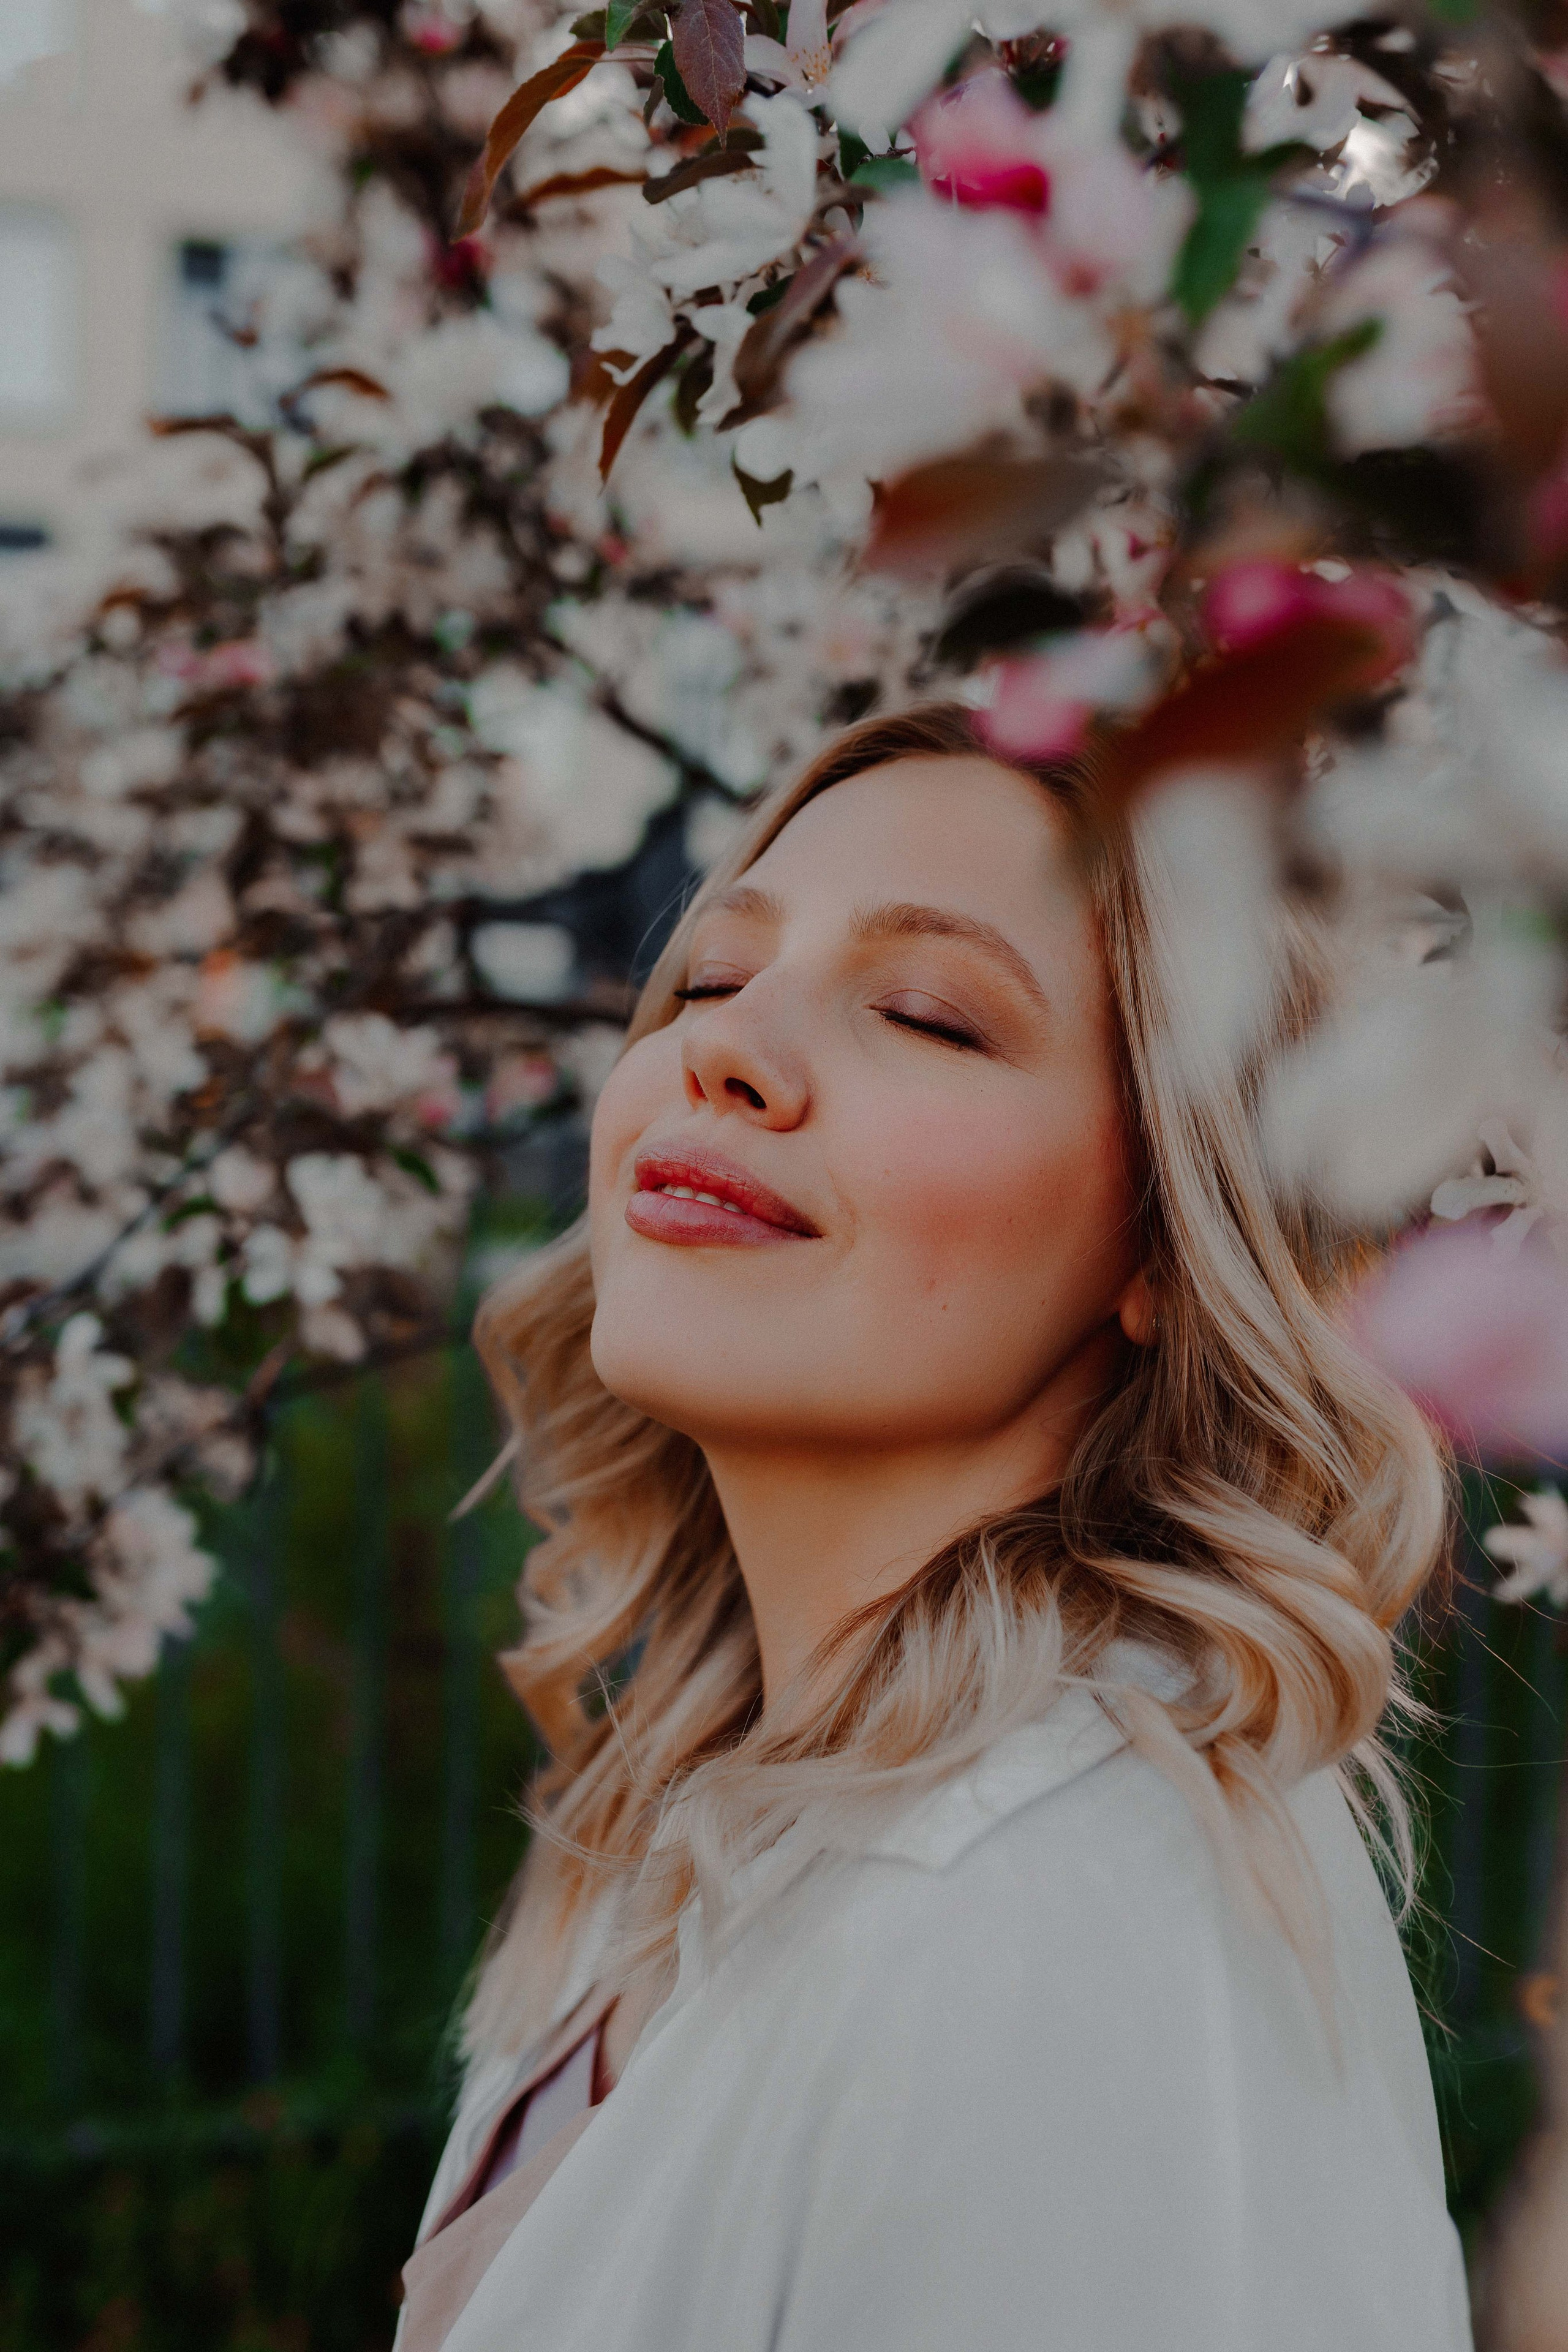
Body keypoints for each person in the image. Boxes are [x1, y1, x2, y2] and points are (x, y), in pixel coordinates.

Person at [395, 704, 1472, 2351]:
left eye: (928, 1015)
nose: (726, 1048)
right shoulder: (692, 1839)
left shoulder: (1084, 1936)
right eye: (707, 978)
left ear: (1173, 1244)